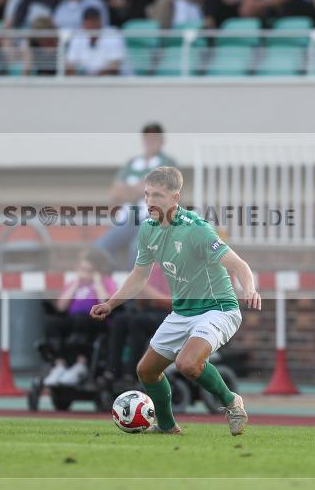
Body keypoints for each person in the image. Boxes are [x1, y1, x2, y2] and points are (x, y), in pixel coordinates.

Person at [90, 166, 257, 436]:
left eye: (157, 195)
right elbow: (138, 276)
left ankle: (231, 401)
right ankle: (167, 427)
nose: (150, 201)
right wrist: (110, 304)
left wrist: (250, 289)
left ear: (175, 198)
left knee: (187, 363)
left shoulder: (197, 230)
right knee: (146, 371)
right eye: (146, 195)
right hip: (183, 312)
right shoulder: (147, 230)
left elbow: (239, 265)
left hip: (218, 309)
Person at [95, 123, 177, 270]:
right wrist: (139, 188)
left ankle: (134, 290)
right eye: (147, 138)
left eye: (154, 138)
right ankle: (115, 285)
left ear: (162, 141)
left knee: (136, 248)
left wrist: (128, 190)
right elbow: (114, 194)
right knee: (100, 247)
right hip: (128, 218)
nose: (150, 142)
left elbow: (156, 191)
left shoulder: (167, 163)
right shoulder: (132, 163)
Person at [44, 248, 117, 387]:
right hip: (75, 319)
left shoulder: (105, 281)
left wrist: (97, 282)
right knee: (53, 323)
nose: (84, 273)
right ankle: (59, 366)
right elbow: (61, 307)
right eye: (81, 269)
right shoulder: (75, 283)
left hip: (95, 322)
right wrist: (76, 283)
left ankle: (80, 364)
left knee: (82, 319)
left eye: (87, 270)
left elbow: (107, 302)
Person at [65, 7, 128, 75]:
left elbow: (115, 66)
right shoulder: (77, 36)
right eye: (88, 23)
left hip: (115, 81)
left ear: (100, 21)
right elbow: (70, 64)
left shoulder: (113, 34)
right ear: (83, 23)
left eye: (94, 22)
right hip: (85, 82)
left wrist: (93, 78)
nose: (92, 26)